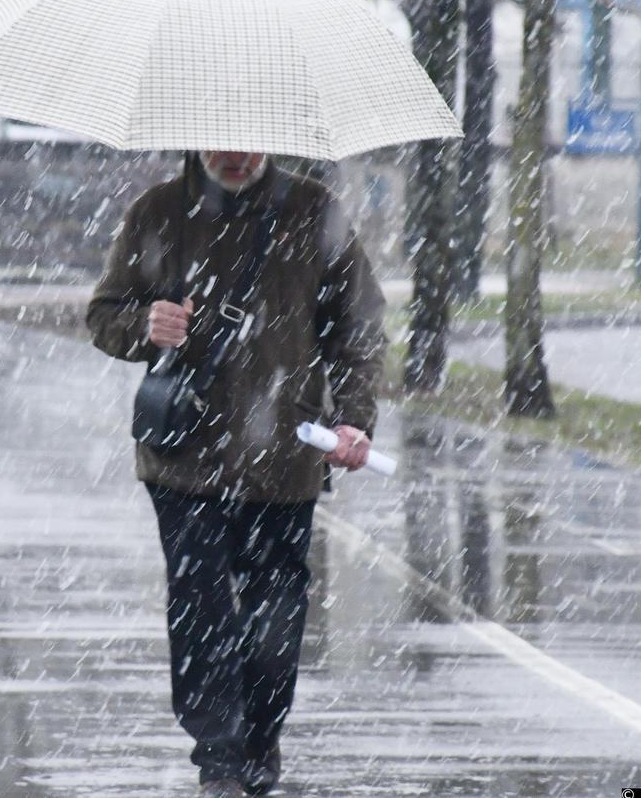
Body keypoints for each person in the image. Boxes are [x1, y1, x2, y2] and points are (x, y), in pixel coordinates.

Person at [86, 150, 386, 797]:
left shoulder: (314, 211)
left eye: (248, 140)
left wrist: (356, 418)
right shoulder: (159, 211)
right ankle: (218, 758)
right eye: (220, 138)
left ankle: (259, 739)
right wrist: (145, 324)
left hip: (285, 456)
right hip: (183, 457)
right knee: (202, 608)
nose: (233, 154)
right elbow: (104, 314)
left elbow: (359, 328)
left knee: (276, 612)